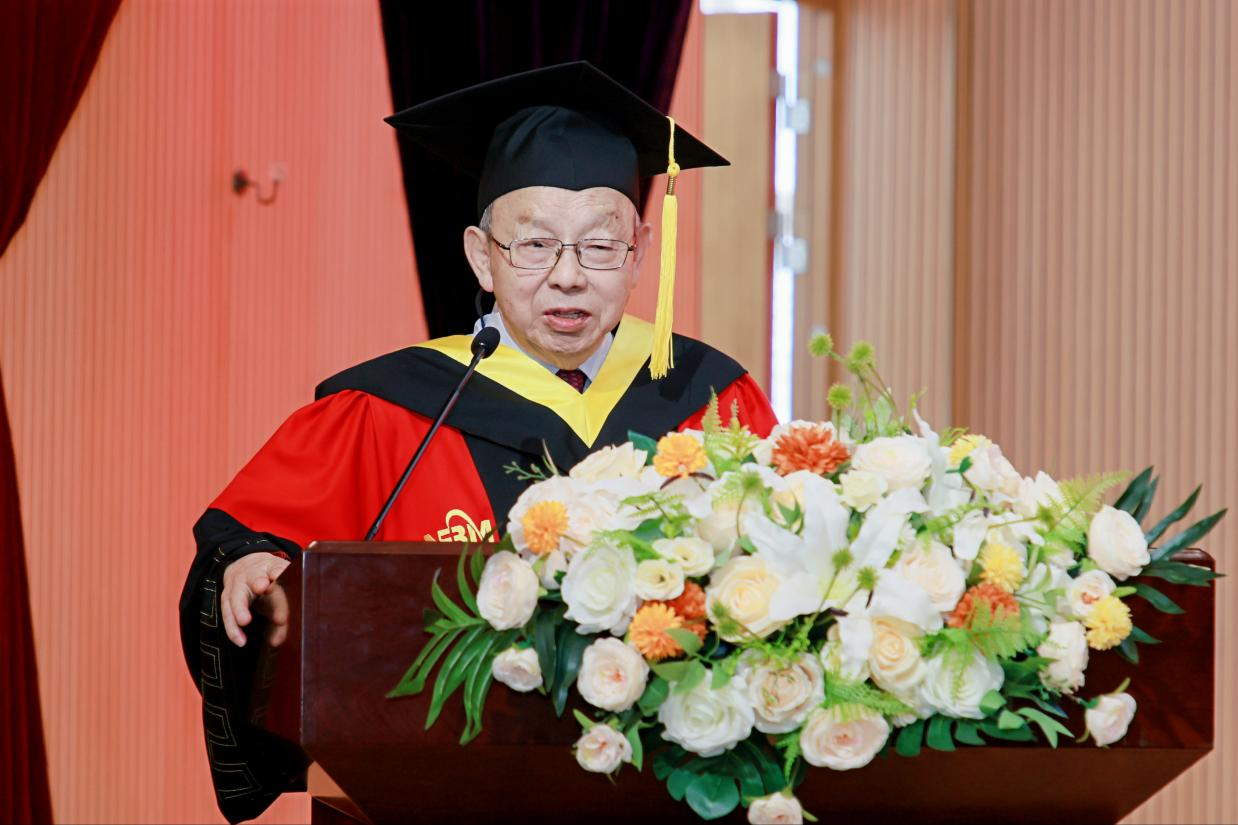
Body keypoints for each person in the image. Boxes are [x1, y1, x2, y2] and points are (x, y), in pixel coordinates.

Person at [179, 62, 778, 821]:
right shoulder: (387, 408)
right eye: (534, 245)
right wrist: (247, 568)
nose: (568, 276)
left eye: (599, 245)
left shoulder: (714, 401)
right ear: (481, 256)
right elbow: (244, 545)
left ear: (637, 254)